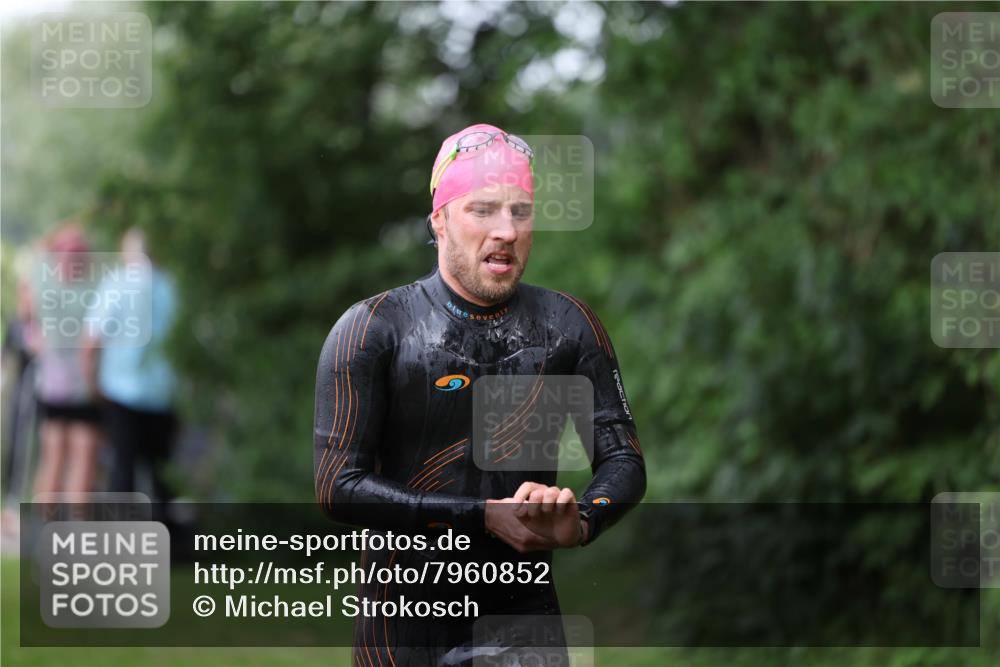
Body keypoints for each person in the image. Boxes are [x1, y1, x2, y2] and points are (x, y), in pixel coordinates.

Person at [314, 123, 646, 666]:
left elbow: (623, 460)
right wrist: (481, 514)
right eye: (483, 210)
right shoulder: (375, 328)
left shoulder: (566, 327)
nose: (507, 230)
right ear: (439, 220)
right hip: (403, 632)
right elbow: (337, 486)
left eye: (521, 211)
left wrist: (584, 518)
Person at [84, 227, 179, 521]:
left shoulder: (117, 284)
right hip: (163, 393)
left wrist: (91, 382)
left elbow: (92, 338)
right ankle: (167, 533)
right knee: (161, 471)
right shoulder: (170, 287)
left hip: (120, 390)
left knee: (122, 467)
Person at [30, 223, 103, 498]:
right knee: (83, 458)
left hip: (51, 385)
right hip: (84, 385)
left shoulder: (44, 282)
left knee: (53, 457)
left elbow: (29, 313)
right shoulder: (94, 288)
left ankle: (43, 521)